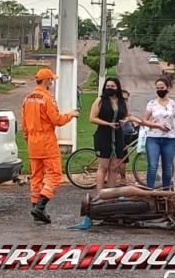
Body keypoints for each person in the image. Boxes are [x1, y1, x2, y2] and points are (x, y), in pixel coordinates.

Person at [21, 68, 79, 223]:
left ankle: (35, 208)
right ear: (46, 81)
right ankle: (40, 207)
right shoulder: (47, 98)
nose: (52, 82)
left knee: (36, 177)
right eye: (51, 80)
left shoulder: (27, 99)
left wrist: (28, 140)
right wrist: (71, 115)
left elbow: (24, 125)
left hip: (32, 142)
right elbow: (57, 120)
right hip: (47, 141)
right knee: (55, 175)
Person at [89, 79, 144, 193]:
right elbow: (92, 118)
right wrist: (108, 124)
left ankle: (110, 194)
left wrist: (129, 120)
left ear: (117, 87)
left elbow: (127, 116)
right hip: (103, 135)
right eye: (108, 86)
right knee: (103, 167)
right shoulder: (100, 100)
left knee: (114, 167)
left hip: (118, 136)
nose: (110, 88)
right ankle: (100, 194)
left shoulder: (122, 101)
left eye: (112, 86)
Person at [118, 89, 140, 184]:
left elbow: (129, 117)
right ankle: (123, 179)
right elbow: (127, 118)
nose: (125, 101)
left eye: (126, 99)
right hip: (123, 135)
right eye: (123, 99)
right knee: (122, 157)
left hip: (128, 132)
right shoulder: (119, 108)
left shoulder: (123, 107)